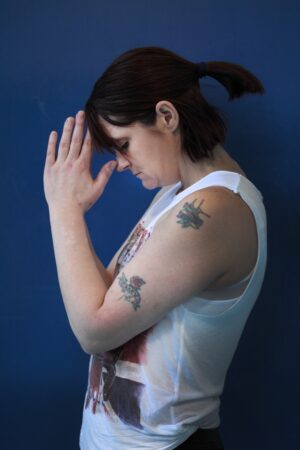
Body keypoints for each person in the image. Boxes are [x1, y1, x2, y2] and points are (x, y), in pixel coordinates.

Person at [43, 46, 267, 450]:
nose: (122, 163)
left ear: (166, 116)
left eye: (123, 143)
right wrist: (70, 207)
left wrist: (63, 210)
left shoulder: (214, 209)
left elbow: (95, 330)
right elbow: (107, 292)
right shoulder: (174, 195)